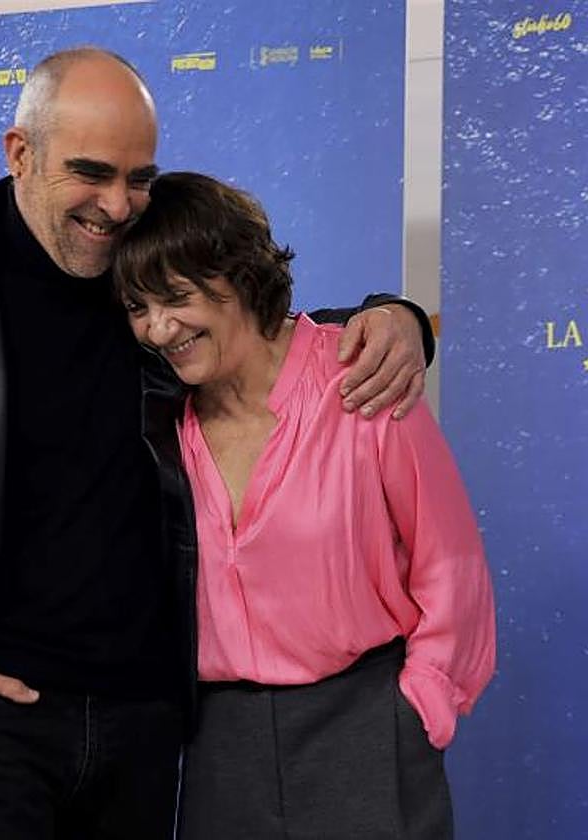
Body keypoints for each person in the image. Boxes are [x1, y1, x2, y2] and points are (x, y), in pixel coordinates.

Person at [0, 48, 435, 839]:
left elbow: (262, 334)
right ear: (20, 153)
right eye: (90, 173)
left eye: (138, 179)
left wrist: (392, 315)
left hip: (142, 729)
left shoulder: (146, 291)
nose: (118, 206)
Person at [112, 171, 495, 840]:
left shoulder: (363, 377)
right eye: (138, 307)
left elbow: (450, 561)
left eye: (175, 297)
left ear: (238, 275)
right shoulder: (156, 414)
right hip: (218, 749)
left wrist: (422, 706)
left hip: (365, 728)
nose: (159, 328)